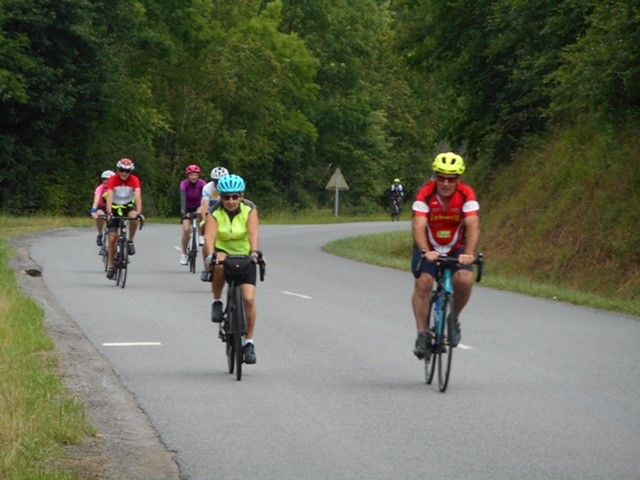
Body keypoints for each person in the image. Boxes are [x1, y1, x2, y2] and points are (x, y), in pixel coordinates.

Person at [410, 152, 480, 358]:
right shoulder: (425, 194)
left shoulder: (467, 194)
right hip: (429, 247)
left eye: (451, 179)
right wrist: (425, 251)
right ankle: (422, 334)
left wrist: (469, 253)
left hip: (456, 248)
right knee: (424, 282)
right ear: (435, 177)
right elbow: (419, 224)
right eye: (441, 177)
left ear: (459, 179)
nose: (446, 183)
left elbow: (473, 224)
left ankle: (453, 319)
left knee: (465, 279)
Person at [203, 174, 262, 364]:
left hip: (244, 254)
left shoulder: (249, 209)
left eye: (235, 197)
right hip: (223, 252)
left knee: (249, 299)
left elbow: (254, 233)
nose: (231, 201)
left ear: (241, 196)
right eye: (226, 197)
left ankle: (249, 343)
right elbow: (210, 237)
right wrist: (212, 255)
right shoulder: (214, 211)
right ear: (220, 197)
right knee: (219, 265)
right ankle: (217, 301)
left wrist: (254, 252)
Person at [104, 158, 143, 279]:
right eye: (122, 170)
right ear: (117, 170)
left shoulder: (134, 180)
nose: (124, 173)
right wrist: (109, 212)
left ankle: (130, 241)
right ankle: (111, 265)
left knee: (134, 218)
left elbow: (137, 196)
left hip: (127, 206)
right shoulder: (113, 179)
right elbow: (110, 196)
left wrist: (139, 212)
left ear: (131, 171)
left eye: (127, 171)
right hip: (114, 207)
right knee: (112, 238)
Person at [179, 164, 206, 265]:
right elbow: (183, 198)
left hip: (199, 206)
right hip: (187, 208)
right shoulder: (184, 184)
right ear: (188, 175)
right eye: (191, 175)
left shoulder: (202, 184)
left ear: (198, 175)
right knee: (186, 230)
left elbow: (205, 198)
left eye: (195, 175)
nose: (193, 177)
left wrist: (202, 207)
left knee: (201, 216)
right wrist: (183, 211)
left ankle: (200, 235)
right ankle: (184, 254)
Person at [200, 166, 229, 261]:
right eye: (216, 181)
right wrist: (204, 220)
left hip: (224, 209)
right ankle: (207, 267)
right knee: (201, 212)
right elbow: (205, 204)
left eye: (221, 180)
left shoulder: (228, 186)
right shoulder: (208, 187)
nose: (218, 183)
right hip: (210, 207)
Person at [90, 170, 115, 246]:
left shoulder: (116, 188)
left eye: (108, 179)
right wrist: (93, 211)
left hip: (114, 208)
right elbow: (96, 201)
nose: (105, 181)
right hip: (102, 207)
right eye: (104, 179)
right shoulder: (100, 188)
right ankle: (100, 234)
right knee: (99, 214)